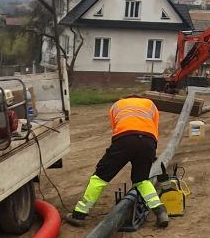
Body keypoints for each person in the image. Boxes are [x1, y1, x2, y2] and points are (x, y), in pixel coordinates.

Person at [68, 95, 169, 228]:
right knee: (141, 180)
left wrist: (116, 153)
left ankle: (79, 214)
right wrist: (150, 154)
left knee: (99, 177)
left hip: (124, 140)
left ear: (125, 98)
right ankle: (160, 211)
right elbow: (153, 129)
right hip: (148, 142)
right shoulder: (150, 104)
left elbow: (117, 128)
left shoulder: (117, 105)